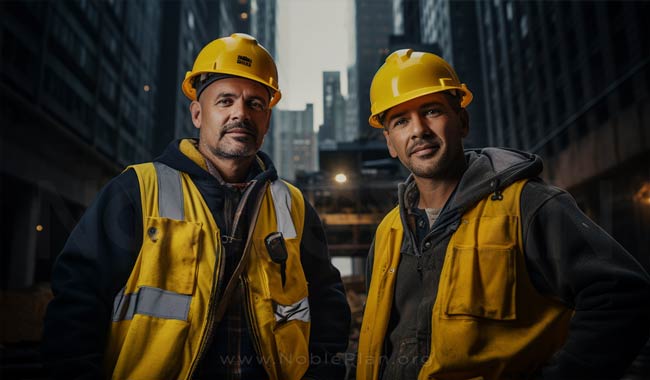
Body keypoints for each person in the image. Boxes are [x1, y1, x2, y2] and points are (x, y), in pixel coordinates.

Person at [42, 33, 351, 380]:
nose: (241, 114)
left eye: (255, 104)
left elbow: (326, 303)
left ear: (266, 121)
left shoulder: (292, 205)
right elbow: (77, 303)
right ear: (197, 114)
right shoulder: (137, 190)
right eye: (225, 101)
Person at [356, 49, 650, 380]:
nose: (418, 130)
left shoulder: (528, 205)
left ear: (462, 121)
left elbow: (624, 297)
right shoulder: (388, 232)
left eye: (432, 111)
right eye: (401, 121)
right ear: (390, 143)